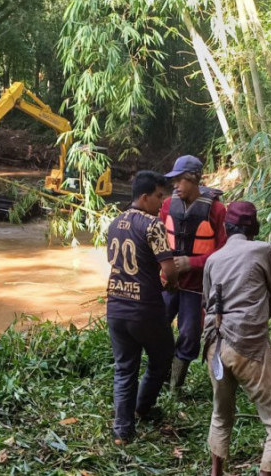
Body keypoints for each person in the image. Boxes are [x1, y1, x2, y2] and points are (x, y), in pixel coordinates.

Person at [202, 201, 271, 476]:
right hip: (247, 342)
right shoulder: (263, 250)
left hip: (213, 343)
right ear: (254, 227)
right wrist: (258, 316)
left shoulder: (212, 259)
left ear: (226, 229)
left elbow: (208, 302)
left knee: (221, 414)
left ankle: (216, 472)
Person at [105, 171, 179, 444]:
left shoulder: (114, 223)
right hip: (145, 309)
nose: (163, 202)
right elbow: (169, 271)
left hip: (115, 307)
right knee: (162, 357)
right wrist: (171, 286)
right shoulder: (153, 225)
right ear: (145, 197)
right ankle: (141, 407)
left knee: (125, 369)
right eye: (160, 196)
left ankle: (122, 432)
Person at [159, 155, 227, 391]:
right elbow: (157, 241)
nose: (175, 186)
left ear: (195, 179)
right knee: (158, 325)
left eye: (180, 180)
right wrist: (164, 269)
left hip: (196, 286)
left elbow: (223, 251)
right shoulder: (167, 206)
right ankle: (160, 373)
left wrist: (193, 262)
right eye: (174, 181)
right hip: (169, 281)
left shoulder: (217, 210)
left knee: (189, 334)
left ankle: (175, 386)